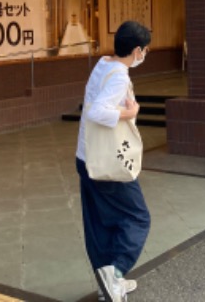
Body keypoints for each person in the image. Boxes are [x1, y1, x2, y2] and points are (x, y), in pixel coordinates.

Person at [76, 20, 152, 302]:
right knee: (138, 217)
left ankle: (107, 283)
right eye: (145, 50)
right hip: (106, 162)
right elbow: (97, 111)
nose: (144, 55)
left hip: (86, 156)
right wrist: (128, 114)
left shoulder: (103, 63)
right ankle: (116, 272)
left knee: (100, 223)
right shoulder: (119, 75)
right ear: (136, 50)